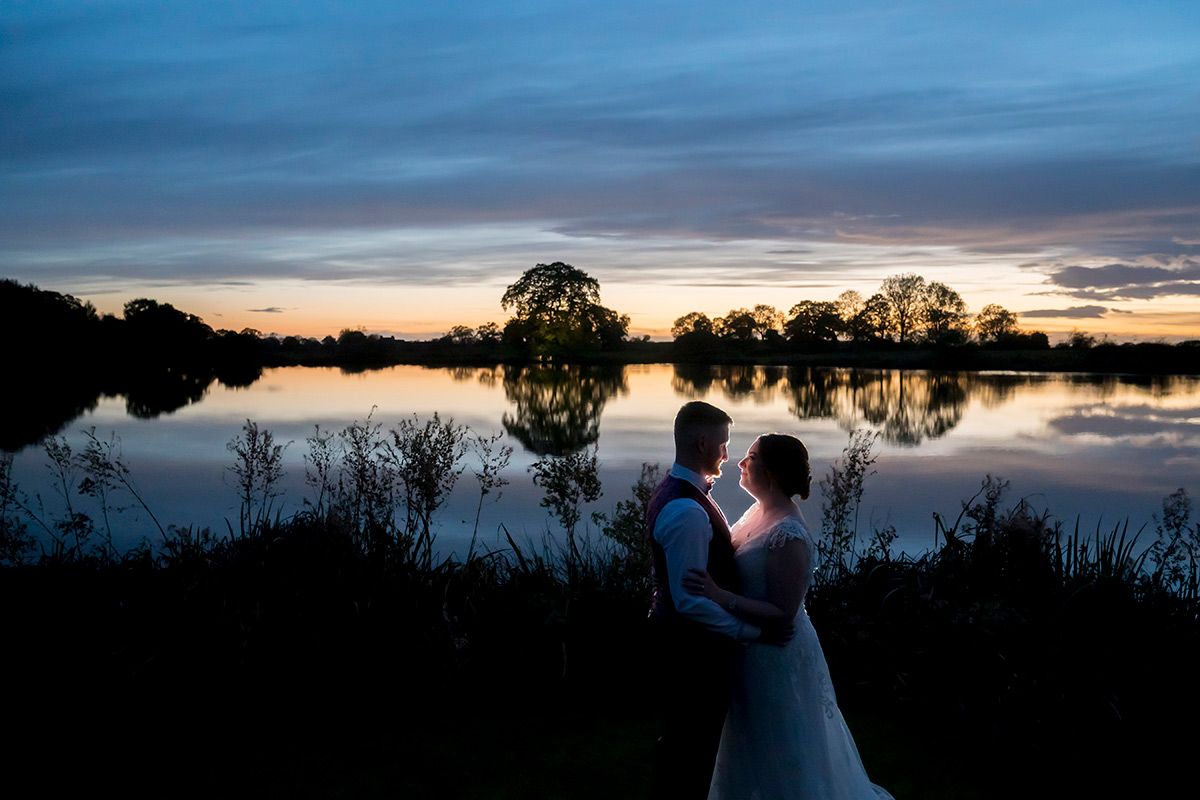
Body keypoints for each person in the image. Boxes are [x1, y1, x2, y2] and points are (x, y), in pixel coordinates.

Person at [682, 433, 893, 800]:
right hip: (749, 648)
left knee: (783, 744)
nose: (741, 463)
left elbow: (783, 614)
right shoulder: (757, 512)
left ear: (773, 472)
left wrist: (719, 596)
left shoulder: (789, 533)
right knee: (748, 742)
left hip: (777, 655)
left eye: (751, 456)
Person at [647, 402, 791, 800]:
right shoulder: (686, 510)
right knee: (690, 753)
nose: (728, 456)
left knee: (685, 746)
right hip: (690, 653)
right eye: (724, 445)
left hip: (688, 648)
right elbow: (689, 602)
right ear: (702, 442)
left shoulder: (685, 495)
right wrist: (749, 631)